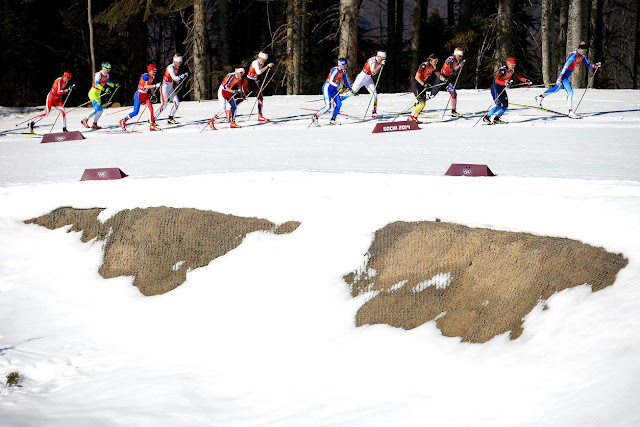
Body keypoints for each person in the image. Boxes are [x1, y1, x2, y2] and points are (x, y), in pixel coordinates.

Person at [535, 41, 601, 118]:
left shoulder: (583, 55)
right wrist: (559, 78)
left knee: (555, 90)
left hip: (566, 76)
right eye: (583, 51)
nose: (584, 53)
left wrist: (594, 65)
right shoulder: (573, 56)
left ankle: (540, 97)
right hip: (563, 76)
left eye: (585, 51)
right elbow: (565, 67)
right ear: (579, 49)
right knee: (570, 93)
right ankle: (570, 111)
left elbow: (587, 64)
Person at [482, 57, 531, 124]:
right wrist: (505, 83)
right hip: (496, 88)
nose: (513, 66)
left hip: (502, 88)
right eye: (512, 65)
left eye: (514, 65)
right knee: (498, 106)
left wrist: (526, 80)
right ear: (508, 64)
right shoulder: (503, 70)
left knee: (505, 105)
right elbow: (497, 80)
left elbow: (519, 76)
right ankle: (486, 117)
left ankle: (496, 118)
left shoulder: (512, 70)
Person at [119, 64, 161, 131]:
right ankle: (123, 120)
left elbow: (151, 86)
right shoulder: (145, 76)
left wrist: (153, 95)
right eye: (153, 72)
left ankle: (152, 125)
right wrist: (155, 86)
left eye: (155, 72)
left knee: (151, 108)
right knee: (135, 112)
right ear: (149, 71)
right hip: (139, 94)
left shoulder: (153, 77)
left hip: (145, 95)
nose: (154, 74)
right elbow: (145, 86)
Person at [313, 58, 354, 125]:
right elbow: (330, 81)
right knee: (328, 107)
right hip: (327, 88)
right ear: (340, 65)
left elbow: (346, 81)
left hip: (333, 89)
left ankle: (333, 119)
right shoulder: (335, 70)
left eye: (346, 65)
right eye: (344, 65)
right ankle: (315, 116)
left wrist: (351, 89)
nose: (345, 67)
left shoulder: (343, 71)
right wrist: (338, 86)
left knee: (339, 104)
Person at [408, 53, 443, 123]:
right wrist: (424, 84)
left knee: (423, 103)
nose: (436, 63)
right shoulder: (424, 65)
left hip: (422, 86)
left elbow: (439, 76)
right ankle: (411, 117)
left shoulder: (434, 67)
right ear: (430, 60)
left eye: (437, 62)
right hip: (416, 84)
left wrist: (445, 80)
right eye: (435, 61)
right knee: (422, 103)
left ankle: (414, 117)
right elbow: (416, 77)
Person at [430, 48, 466, 117]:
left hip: (447, 79)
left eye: (462, 56)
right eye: (460, 56)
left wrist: (460, 65)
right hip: (440, 77)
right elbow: (450, 70)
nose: (461, 58)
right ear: (456, 55)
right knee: (432, 95)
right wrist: (460, 65)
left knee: (454, 93)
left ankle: (453, 111)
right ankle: (419, 105)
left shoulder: (457, 60)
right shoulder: (450, 59)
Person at [239, 52, 274, 121]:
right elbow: (258, 72)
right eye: (264, 59)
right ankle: (230, 111)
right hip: (248, 81)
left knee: (260, 97)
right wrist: (267, 67)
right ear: (260, 58)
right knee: (242, 97)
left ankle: (260, 115)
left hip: (254, 81)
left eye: (266, 59)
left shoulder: (262, 63)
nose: (265, 60)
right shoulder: (255, 62)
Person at [82, 62, 117, 130]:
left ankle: (94, 124)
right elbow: (96, 84)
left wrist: (115, 85)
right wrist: (104, 89)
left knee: (100, 110)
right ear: (104, 68)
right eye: (108, 69)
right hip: (93, 93)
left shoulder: (107, 75)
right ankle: (85, 120)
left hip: (98, 93)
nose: (109, 71)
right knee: (96, 109)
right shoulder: (98, 74)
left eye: (110, 69)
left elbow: (108, 82)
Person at [351, 51, 386, 118]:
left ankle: (374, 112)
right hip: (361, 79)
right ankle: (336, 102)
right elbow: (373, 72)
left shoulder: (378, 61)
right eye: (382, 58)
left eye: (384, 59)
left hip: (368, 79)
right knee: (351, 93)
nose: (382, 60)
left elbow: (374, 73)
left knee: (374, 94)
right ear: (378, 56)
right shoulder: (372, 60)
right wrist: (380, 66)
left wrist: (380, 66)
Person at [156, 54, 188, 124]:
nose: (181, 63)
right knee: (164, 105)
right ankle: (153, 118)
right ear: (175, 61)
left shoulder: (176, 67)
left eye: (181, 62)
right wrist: (183, 76)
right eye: (179, 61)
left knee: (177, 103)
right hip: (164, 87)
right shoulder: (170, 68)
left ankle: (171, 118)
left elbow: (176, 79)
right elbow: (175, 78)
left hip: (170, 88)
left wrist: (180, 81)